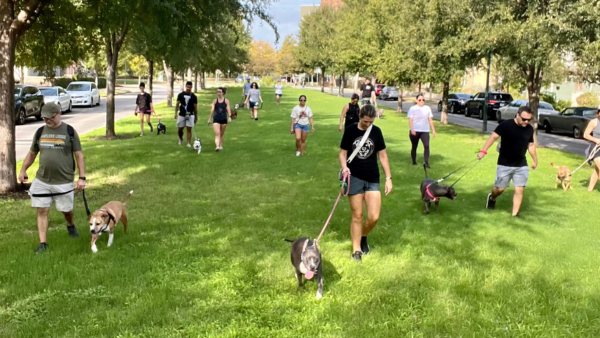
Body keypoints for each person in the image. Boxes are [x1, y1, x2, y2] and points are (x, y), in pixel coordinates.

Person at [18, 103, 86, 253]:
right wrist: (23, 170)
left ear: (58, 114)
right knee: (42, 209)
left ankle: (70, 224)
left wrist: (82, 178)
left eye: (50, 117)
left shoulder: (69, 131)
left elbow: (79, 155)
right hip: (43, 179)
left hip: (64, 180)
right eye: (44, 117)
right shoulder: (40, 131)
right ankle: (43, 243)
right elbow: (32, 154)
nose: (46, 120)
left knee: (66, 210)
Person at [339, 105, 393, 262]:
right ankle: (356, 251)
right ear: (359, 116)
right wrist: (344, 168)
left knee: (374, 216)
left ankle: (363, 236)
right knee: (357, 215)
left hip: (372, 178)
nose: (368, 124)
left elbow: (382, 156)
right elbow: (342, 154)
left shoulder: (376, 132)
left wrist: (388, 178)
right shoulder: (350, 130)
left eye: (371, 121)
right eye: (365, 121)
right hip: (354, 176)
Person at [477, 106, 538, 217]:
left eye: (529, 120)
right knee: (499, 189)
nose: (526, 122)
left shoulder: (529, 129)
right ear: (518, 115)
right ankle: (492, 197)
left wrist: (535, 160)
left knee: (519, 189)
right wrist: (483, 151)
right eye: (524, 119)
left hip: (521, 164)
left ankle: (515, 215)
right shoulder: (505, 125)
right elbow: (493, 137)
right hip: (504, 163)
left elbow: (531, 145)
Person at [408, 93, 436, 167]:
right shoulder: (413, 108)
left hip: (425, 130)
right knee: (414, 146)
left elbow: (430, 120)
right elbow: (410, 120)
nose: (421, 101)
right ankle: (414, 161)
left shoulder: (427, 108)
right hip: (415, 130)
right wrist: (412, 129)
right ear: (416, 100)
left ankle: (426, 163)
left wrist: (433, 130)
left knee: (426, 146)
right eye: (420, 100)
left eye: (423, 100)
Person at [207, 87, 232, 151]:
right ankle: (217, 146)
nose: (218, 93)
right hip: (216, 118)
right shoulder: (215, 101)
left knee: (222, 133)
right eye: (217, 92)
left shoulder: (226, 101)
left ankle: (220, 145)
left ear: (223, 93)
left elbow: (228, 109)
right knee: (217, 133)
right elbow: (212, 110)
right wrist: (209, 118)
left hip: (223, 118)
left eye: (220, 92)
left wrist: (230, 116)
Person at [174, 81, 198, 147]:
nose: (188, 88)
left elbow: (195, 107)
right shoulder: (180, 95)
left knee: (189, 129)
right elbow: (177, 104)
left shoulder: (194, 97)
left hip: (190, 114)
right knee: (180, 129)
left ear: (191, 87)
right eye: (187, 87)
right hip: (182, 114)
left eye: (190, 87)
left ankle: (188, 143)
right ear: (185, 86)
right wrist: (175, 113)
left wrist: (196, 117)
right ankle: (181, 138)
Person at [584, 109, 600, 191]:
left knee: (597, 170)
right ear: (598, 112)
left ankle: (589, 190)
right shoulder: (594, 122)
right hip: (595, 148)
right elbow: (586, 135)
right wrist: (596, 140)